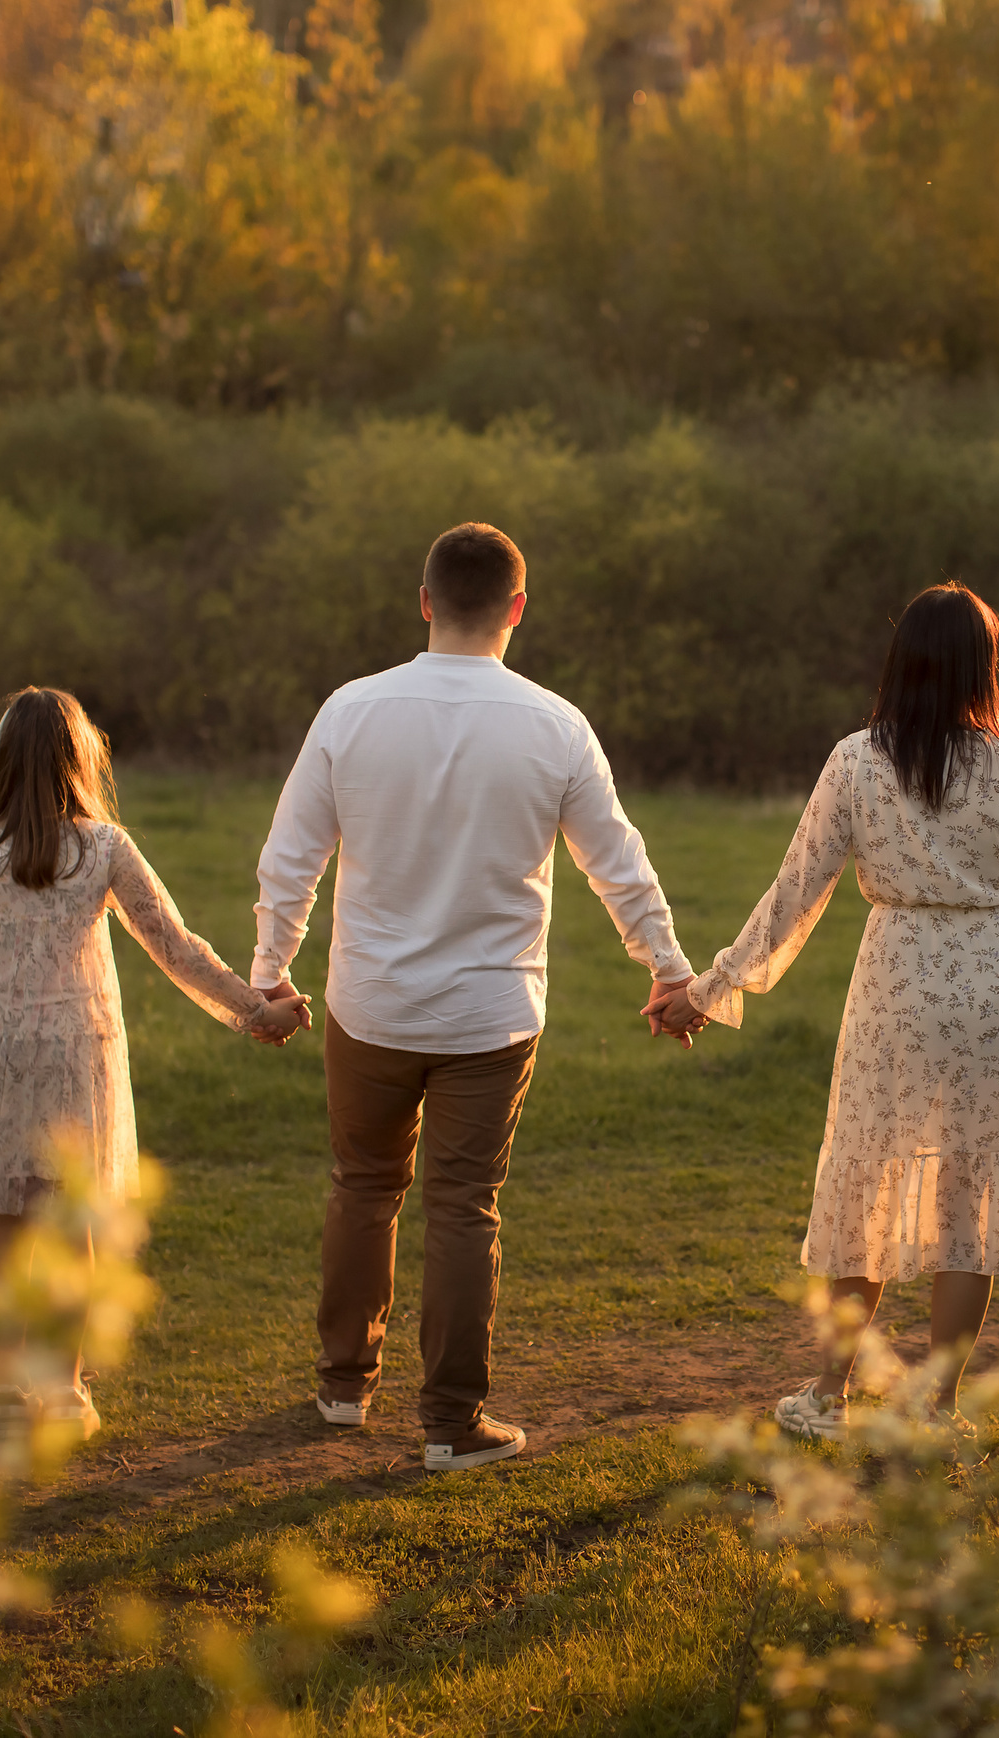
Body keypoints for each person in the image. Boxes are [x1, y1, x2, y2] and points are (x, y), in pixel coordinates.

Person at [646, 583, 999, 1439]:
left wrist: (707, 991)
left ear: (900, 663)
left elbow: (792, 896)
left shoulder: (856, 762)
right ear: (984, 666)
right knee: (970, 1199)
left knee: (869, 1178)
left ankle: (828, 1397)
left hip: (897, 982)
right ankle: (938, 1409)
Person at [252, 522, 696, 1473]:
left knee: (363, 1188)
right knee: (464, 1207)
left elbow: (292, 860)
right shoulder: (554, 724)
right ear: (517, 610)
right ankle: (451, 1425)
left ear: (423, 602)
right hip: (489, 1018)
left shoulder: (350, 711)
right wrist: (664, 966)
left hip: (366, 1004)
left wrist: (268, 971)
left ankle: (343, 1384)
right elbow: (618, 863)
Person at [0, 687, 310, 1443]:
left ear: (4, 763)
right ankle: (68, 1392)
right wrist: (253, 1011)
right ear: (81, 761)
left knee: (8, 1224)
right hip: (78, 1054)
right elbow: (175, 947)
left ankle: (8, 1391)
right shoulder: (104, 848)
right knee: (74, 1224)